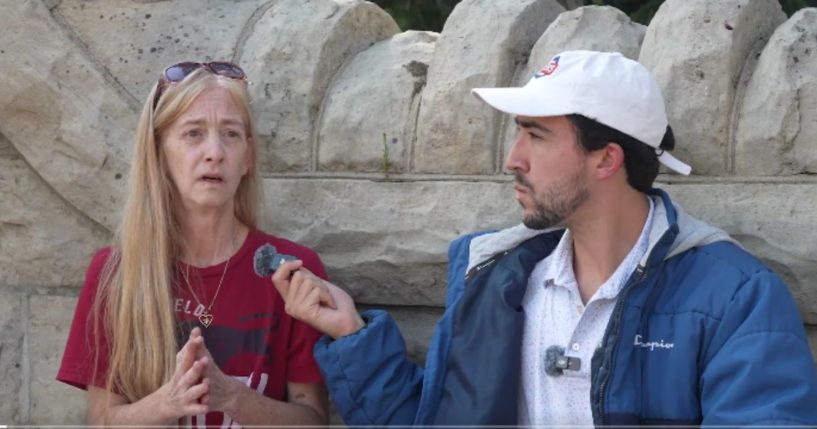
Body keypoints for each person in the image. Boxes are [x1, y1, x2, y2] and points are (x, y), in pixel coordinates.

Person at [272, 51, 817, 426]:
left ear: (607, 158)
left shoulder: (736, 298)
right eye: (518, 133)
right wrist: (351, 336)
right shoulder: (493, 276)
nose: (513, 159)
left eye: (536, 135)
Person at [57, 62, 329, 427]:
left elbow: (313, 421)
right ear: (159, 154)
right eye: (193, 134)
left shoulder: (291, 269)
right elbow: (101, 421)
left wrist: (233, 397)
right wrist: (168, 403)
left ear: (248, 157)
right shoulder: (115, 273)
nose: (214, 152)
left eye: (230, 134)